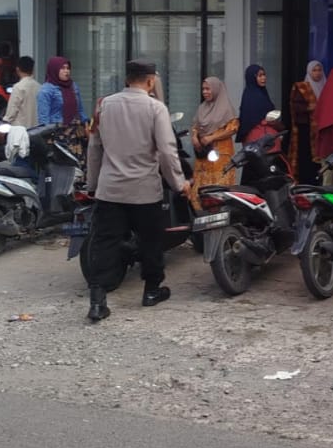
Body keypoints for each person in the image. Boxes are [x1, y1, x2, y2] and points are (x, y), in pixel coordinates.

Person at [83, 60, 191, 322]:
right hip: (144, 191)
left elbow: (94, 148)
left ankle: (97, 302)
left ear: (127, 79)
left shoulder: (104, 105)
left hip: (110, 190)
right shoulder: (156, 108)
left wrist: (92, 184)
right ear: (151, 81)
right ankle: (151, 291)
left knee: (104, 243)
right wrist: (179, 184)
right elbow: (167, 151)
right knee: (151, 242)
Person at [190, 77, 238, 209]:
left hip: (220, 156)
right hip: (203, 155)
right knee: (201, 188)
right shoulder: (202, 108)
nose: (205, 92)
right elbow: (195, 125)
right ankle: (201, 215)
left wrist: (212, 137)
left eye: (208, 89)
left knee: (219, 189)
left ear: (216, 90)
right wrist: (194, 137)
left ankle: (219, 215)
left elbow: (233, 129)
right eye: (203, 89)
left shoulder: (226, 109)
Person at [39, 56, 88, 162]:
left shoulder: (73, 86)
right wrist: (47, 138)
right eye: (62, 68)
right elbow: (43, 117)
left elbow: (80, 109)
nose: (66, 71)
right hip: (57, 133)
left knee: (78, 163)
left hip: (75, 133)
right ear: (54, 70)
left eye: (68, 68)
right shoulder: (46, 90)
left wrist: (86, 124)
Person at [287, 61, 325, 184]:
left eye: (319, 70)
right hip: (306, 130)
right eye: (314, 70)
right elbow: (296, 108)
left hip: (322, 130)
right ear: (309, 72)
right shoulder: (302, 88)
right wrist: (311, 108)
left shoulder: (326, 87)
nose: (317, 73)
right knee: (306, 158)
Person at [237, 64, 277, 145]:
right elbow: (249, 120)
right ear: (252, 78)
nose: (263, 78)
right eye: (259, 76)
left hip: (267, 137)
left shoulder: (263, 94)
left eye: (264, 75)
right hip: (257, 138)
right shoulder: (250, 96)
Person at [2, 55, 40, 130]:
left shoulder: (18, 87)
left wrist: (4, 126)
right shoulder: (39, 87)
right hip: (36, 130)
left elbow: (12, 111)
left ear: (17, 69)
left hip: (20, 130)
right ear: (32, 70)